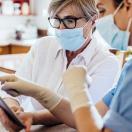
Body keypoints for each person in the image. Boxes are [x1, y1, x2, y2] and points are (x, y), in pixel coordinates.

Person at [0, 0, 119, 127]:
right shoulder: (43, 46)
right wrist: (12, 109)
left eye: (69, 21)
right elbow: (13, 88)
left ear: (93, 20)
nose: (61, 28)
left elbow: (83, 112)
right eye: (57, 20)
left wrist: (33, 117)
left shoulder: (107, 63)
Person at [0, 60, 132, 132]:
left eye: (102, 11)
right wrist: (38, 94)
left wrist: (78, 91)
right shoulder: (128, 71)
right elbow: (94, 115)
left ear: (127, 8)